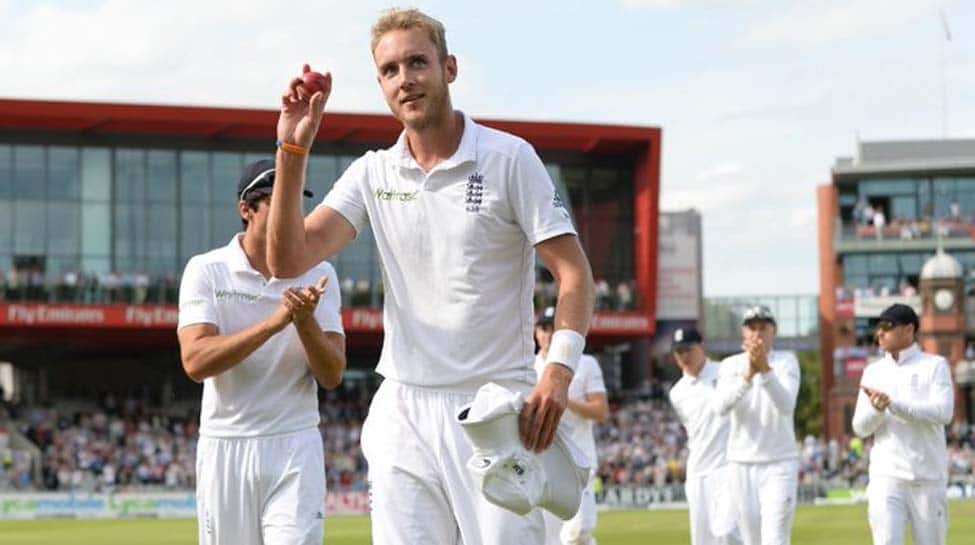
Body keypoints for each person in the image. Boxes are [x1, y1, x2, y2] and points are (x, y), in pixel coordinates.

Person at [266, 8, 596, 545]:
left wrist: (557, 372)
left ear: (450, 68)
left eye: (417, 62)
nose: (406, 79)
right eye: (391, 70)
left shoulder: (510, 158)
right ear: (381, 84)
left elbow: (574, 274)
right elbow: (287, 259)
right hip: (403, 408)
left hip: (494, 404)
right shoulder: (373, 171)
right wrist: (293, 147)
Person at [176, 159, 347, 545]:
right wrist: (276, 322)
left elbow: (333, 374)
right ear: (246, 209)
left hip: (295, 442)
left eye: (297, 204)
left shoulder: (319, 271)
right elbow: (196, 362)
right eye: (278, 202)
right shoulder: (207, 270)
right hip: (226, 445)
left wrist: (305, 322)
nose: (292, 214)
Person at [852, 303, 953, 545]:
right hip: (887, 477)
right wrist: (877, 410)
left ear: (909, 330)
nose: (880, 333)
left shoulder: (934, 365)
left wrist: (894, 405)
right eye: (878, 328)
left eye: (887, 327)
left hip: (927, 477)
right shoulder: (873, 371)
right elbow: (860, 428)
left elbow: (943, 412)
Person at [715, 306, 801, 545]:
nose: (757, 334)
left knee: (775, 539)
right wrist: (747, 377)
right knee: (751, 540)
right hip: (741, 463)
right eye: (752, 328)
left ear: (774, 331)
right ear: (744, 333)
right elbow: (720, 407)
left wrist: (764, 371)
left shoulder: (786, 362)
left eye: (763, 327)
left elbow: (786, 405)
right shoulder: (730, 365)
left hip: (779, 462)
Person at [533, 306, 608, 545]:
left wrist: (563, 398)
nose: (548, 334)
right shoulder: (526, 368)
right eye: (543, 328)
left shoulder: (585, 364)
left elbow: (601, 411)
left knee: (579, 532)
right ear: (536, 333)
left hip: (580, 460)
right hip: (542, 463)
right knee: (548, 538)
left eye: (553, 328)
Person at [668, 327, 739, 545]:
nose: (684, 356)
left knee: (728, 534)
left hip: (728, 466)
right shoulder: (677, 393)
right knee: (702, 540)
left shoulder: (725, 372)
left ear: (701, 347)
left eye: (688, 349)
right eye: (678, 352)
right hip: (698, 471)